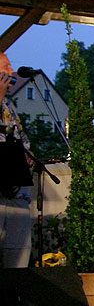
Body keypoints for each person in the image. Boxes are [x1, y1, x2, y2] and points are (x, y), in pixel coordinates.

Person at [0, 52, 33, 269]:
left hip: (16, 191)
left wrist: (27, 155)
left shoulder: (10, 105)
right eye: (6, 66)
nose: (11, 71)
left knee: (18, 255)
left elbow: (22, 140)